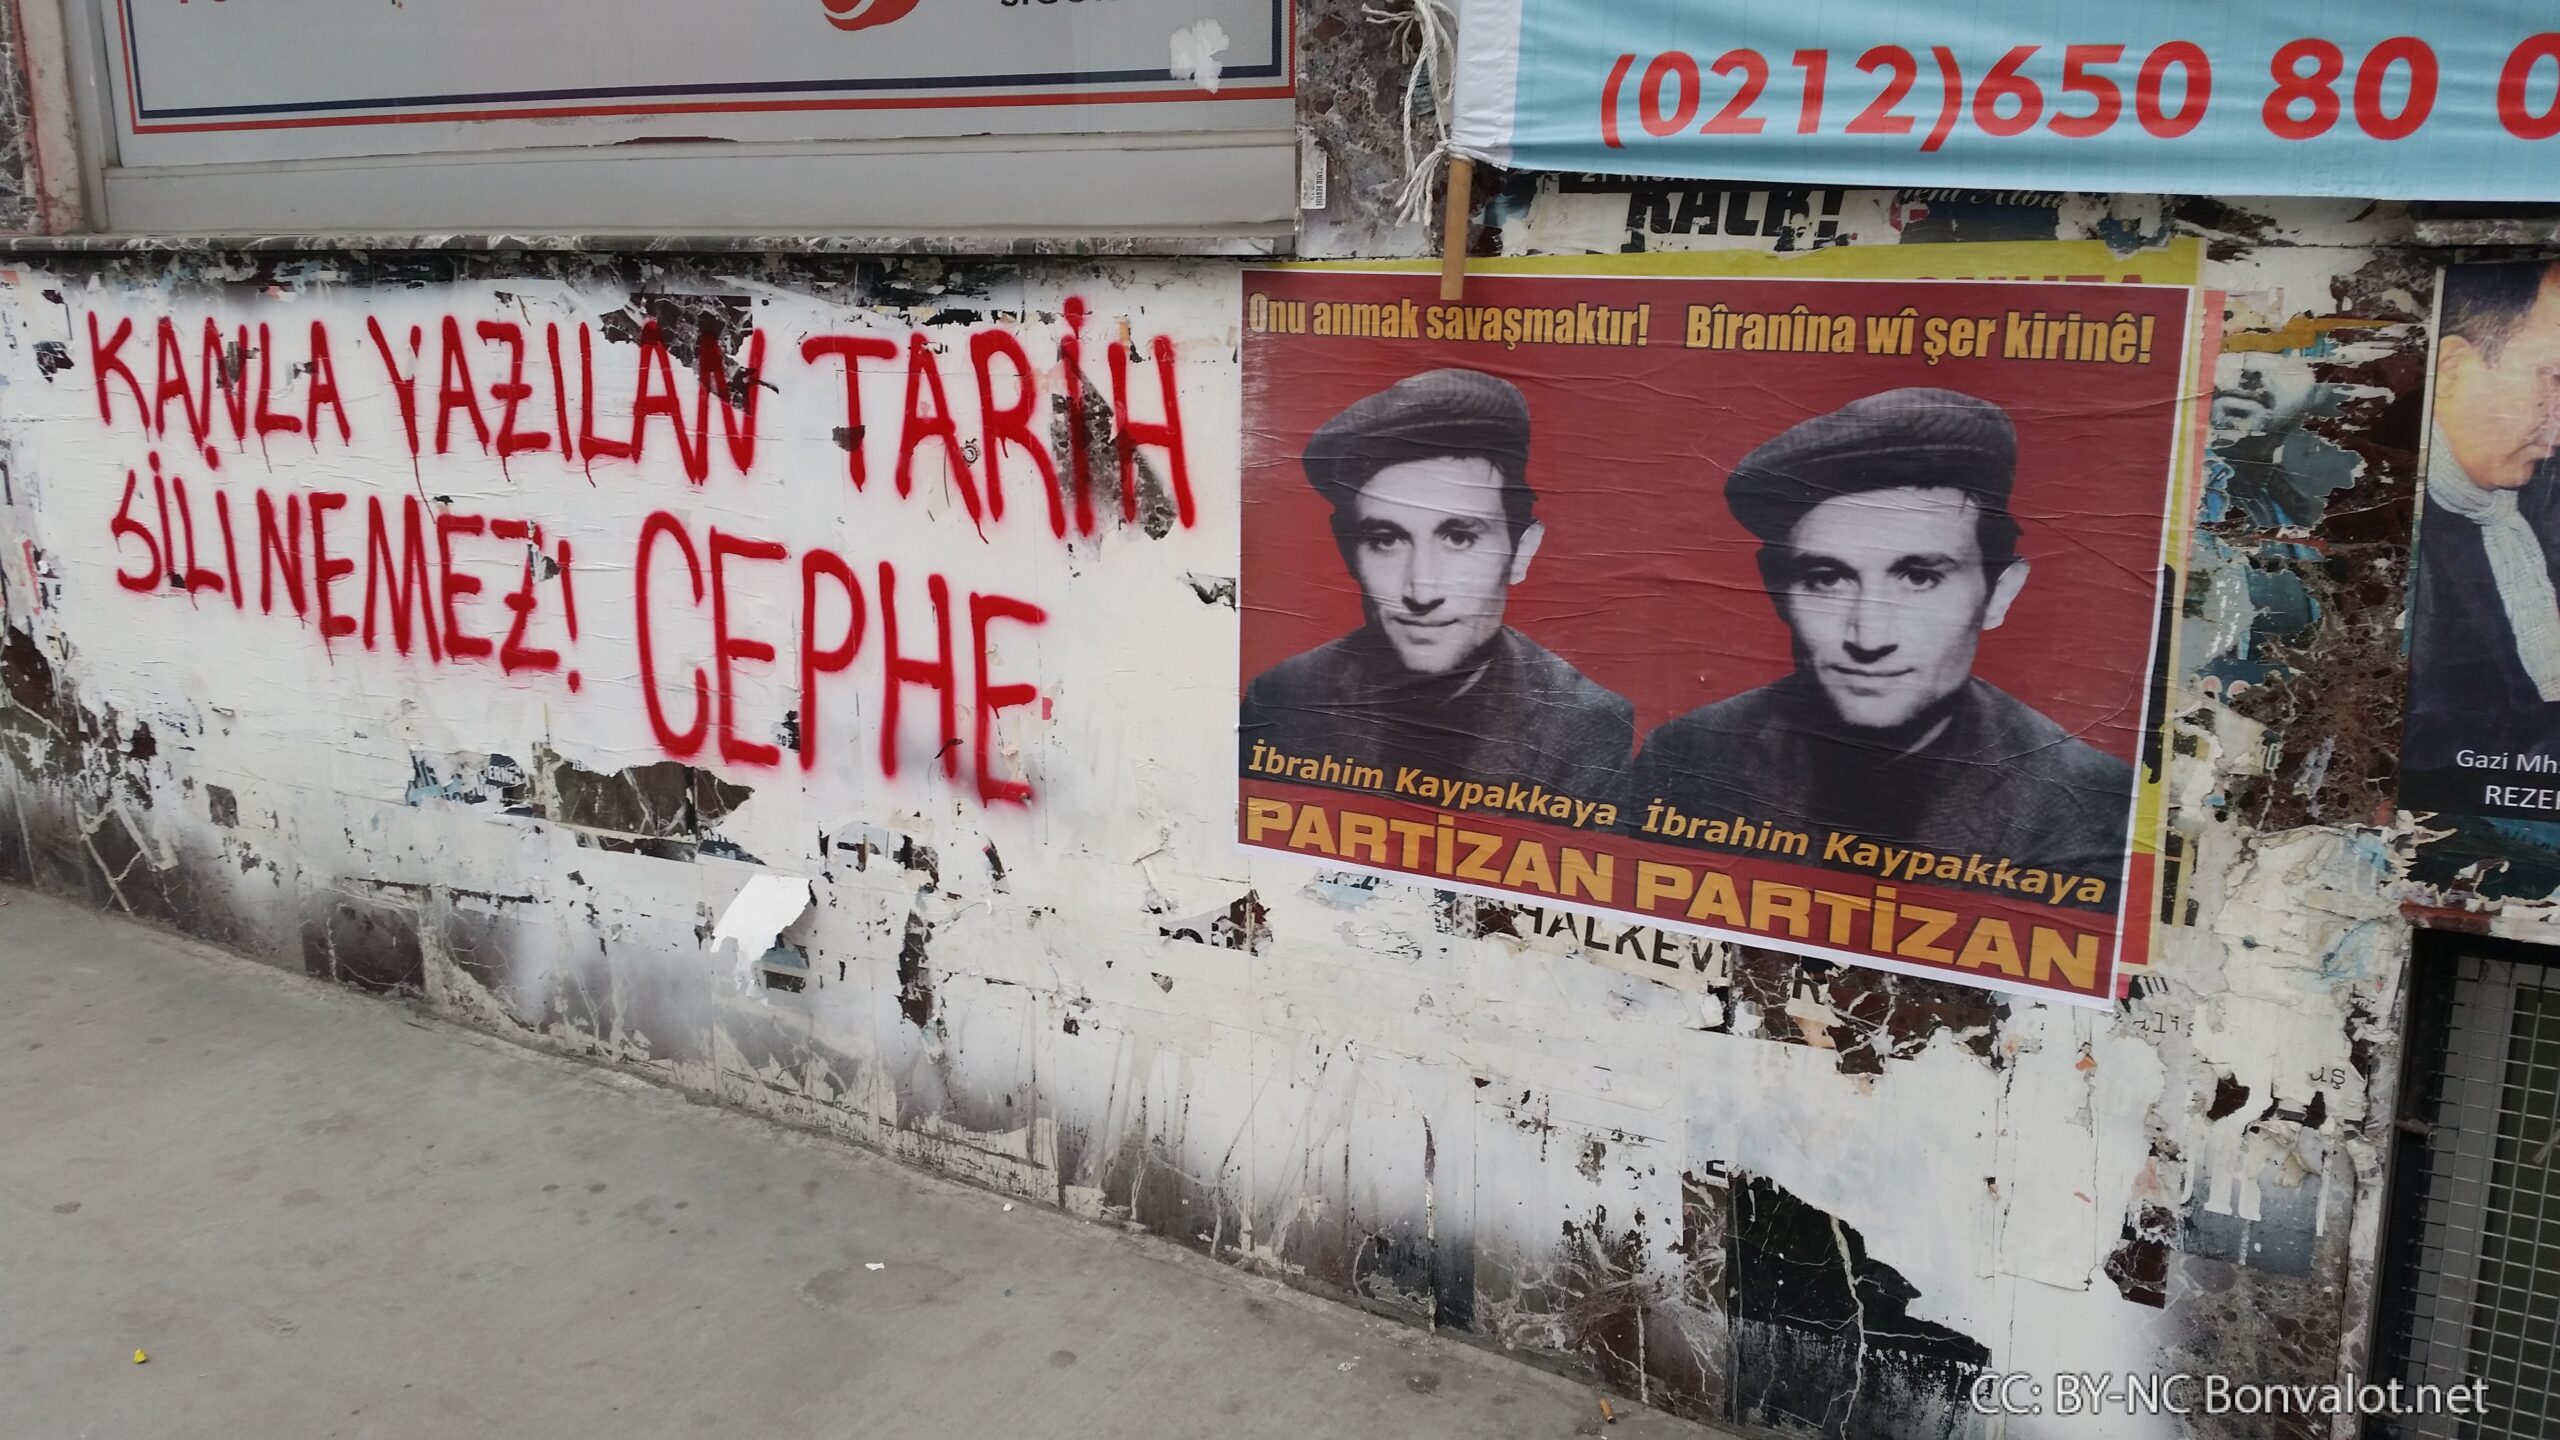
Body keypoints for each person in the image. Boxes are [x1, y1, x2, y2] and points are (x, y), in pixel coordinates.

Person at [1630, 387, 2133, 886]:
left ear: (1999, 593)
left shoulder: (2090, 804)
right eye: (1827, 578)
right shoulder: (1687, 753)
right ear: (1778, 589)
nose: (1869, 638)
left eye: (1919, 577)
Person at [1241, 368, 1632, 808]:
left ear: (1520, 552)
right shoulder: (1283, 696)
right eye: (1385, 540)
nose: (1421, 591)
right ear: (1349, 553)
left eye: (1459, 538)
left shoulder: (1585, 726)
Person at [2404, 260, 2560, 780]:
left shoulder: (2533, 493)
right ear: (2450, 369)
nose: (2558, 427)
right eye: (2554, 381)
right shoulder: (2375, 524)